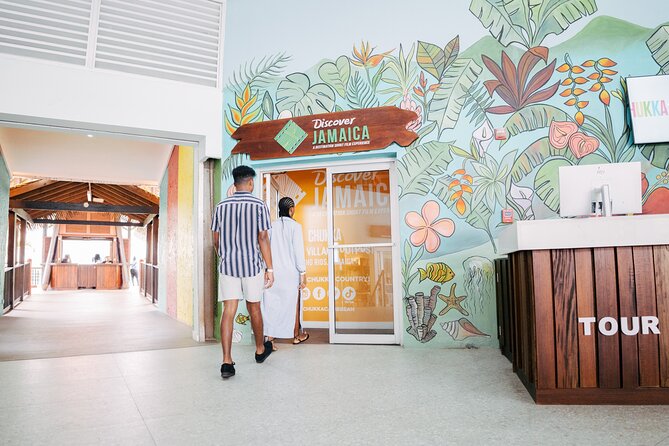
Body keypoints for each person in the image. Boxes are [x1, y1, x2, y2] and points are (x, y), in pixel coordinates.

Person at [212, 165, 274, 379]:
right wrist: (270, 268)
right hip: (252, 266)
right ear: (250, 182)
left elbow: (216, 239)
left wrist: (224, 256)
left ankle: (226, 361)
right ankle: (260, 350)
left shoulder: (221, 206)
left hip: (228, 266)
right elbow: (263, 237)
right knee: (254, 307)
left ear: (234, 182)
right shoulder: (259, 205)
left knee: (229, 310)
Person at [262, 197, 309, 349]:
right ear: (291, 209)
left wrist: (266, 269)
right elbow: (298, 251)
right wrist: (303, 272)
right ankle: (296, 336)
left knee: (271, 305)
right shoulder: (296, 227)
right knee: (293, 305)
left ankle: (270, 339)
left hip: (273, 273)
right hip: (290, 274)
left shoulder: (271, 226)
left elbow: (264, 248)